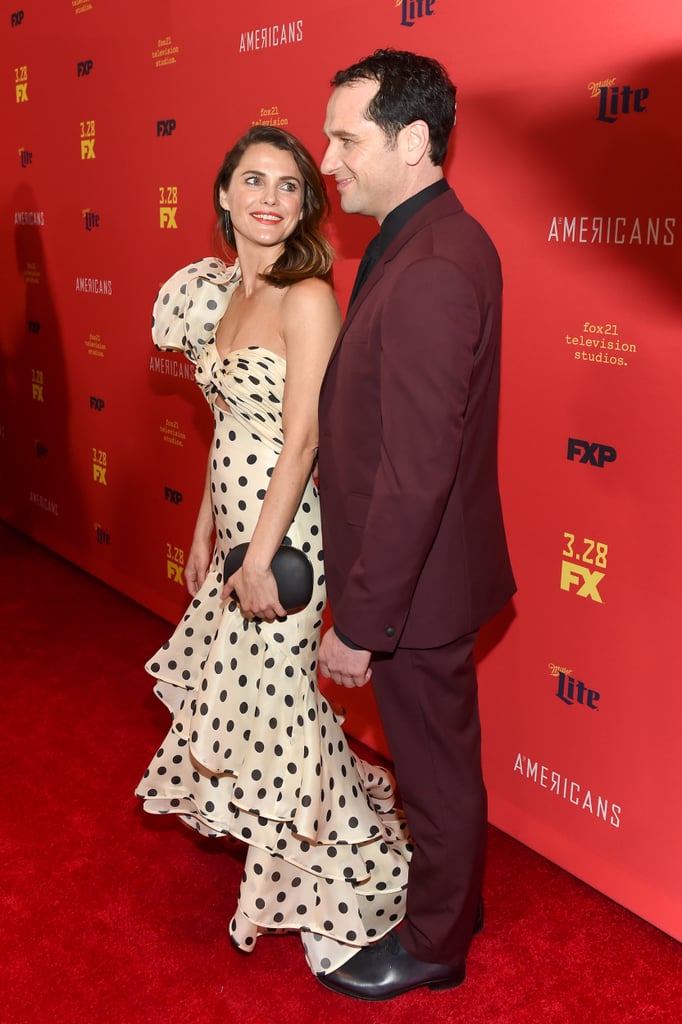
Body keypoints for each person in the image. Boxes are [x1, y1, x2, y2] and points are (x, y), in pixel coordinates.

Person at [135, 125, 410, 977]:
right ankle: (304, 866)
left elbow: (300, 440)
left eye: (289, 186)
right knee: (256, 705)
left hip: (285, 537)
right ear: (222, 195)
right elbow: (227, 430)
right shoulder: (217, 295)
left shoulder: (307, 297)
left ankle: (342, 901)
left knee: (282, 708)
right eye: (252, 181)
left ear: (307, 203)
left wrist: (257, 557)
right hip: (236, 530)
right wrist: (204, 532)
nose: (269, 198)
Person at [316, 50, 516, 1000]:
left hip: (417, 586)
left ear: (413, 140)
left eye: (346, 139)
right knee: (439, 759)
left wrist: (361, 620)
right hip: (429, 574)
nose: (327, 160)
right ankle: (457, 898)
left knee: (432, 772)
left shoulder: (435, 259)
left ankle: (435, 944)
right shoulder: (421, 234)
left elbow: (416, 471)